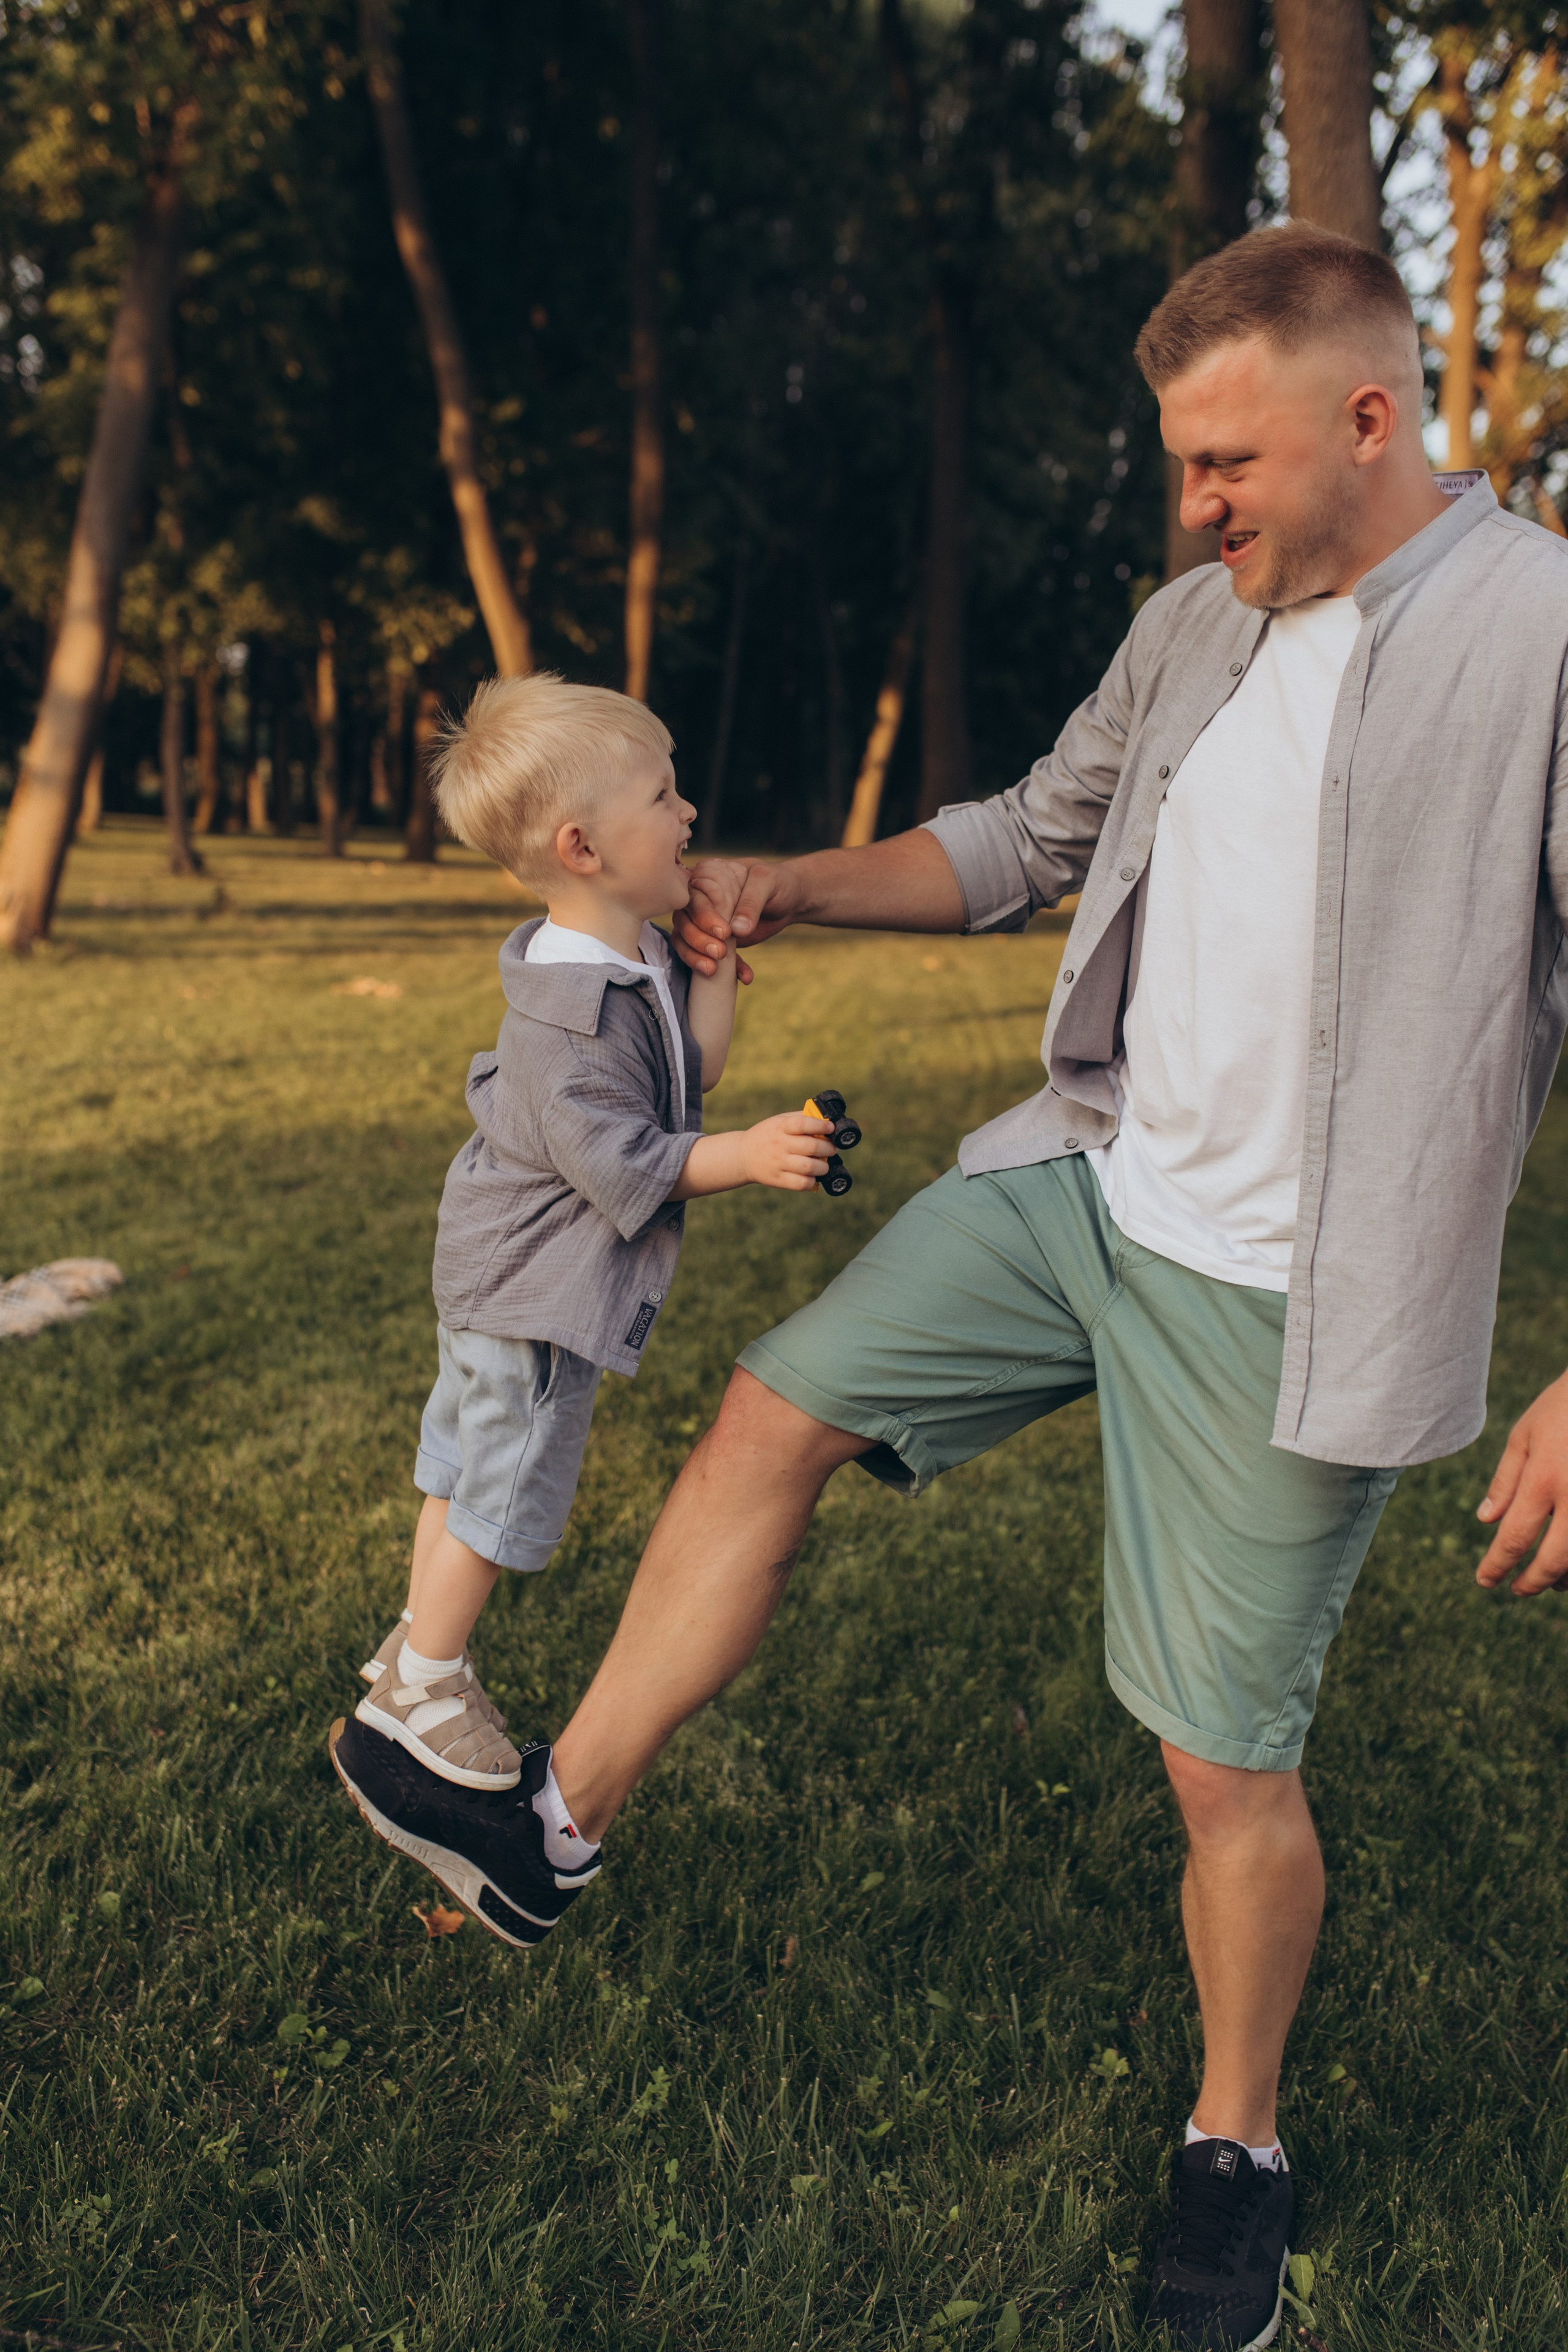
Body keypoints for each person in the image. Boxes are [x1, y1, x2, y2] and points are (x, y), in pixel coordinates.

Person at [502, 225, 1568, 2348]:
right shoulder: (1199, 627)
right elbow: (1024, 840)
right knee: (768, 1411)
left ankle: (1234, 2145)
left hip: (1289, 1297)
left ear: (1373, 419)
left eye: (1228, 463)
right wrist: (783, 881)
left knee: (1221, 1766)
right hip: (1090, 1186)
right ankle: (545, 1829)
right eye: (1182, 462)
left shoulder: (1542, 636)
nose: (1196, 507)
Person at [327, 674, 835, 1949]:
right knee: (501, 1478)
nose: (689, 808)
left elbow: (690, 1075)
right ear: (583, 848)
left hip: (507, 1271)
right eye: (662, 793)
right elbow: (625, 1163)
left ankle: (409, 1659)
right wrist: (752, 1155)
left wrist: (713, 975)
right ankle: (425, 1687)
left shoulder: (630, 958)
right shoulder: (563, 1016)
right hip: (529, 1285)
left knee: (460, 1461)